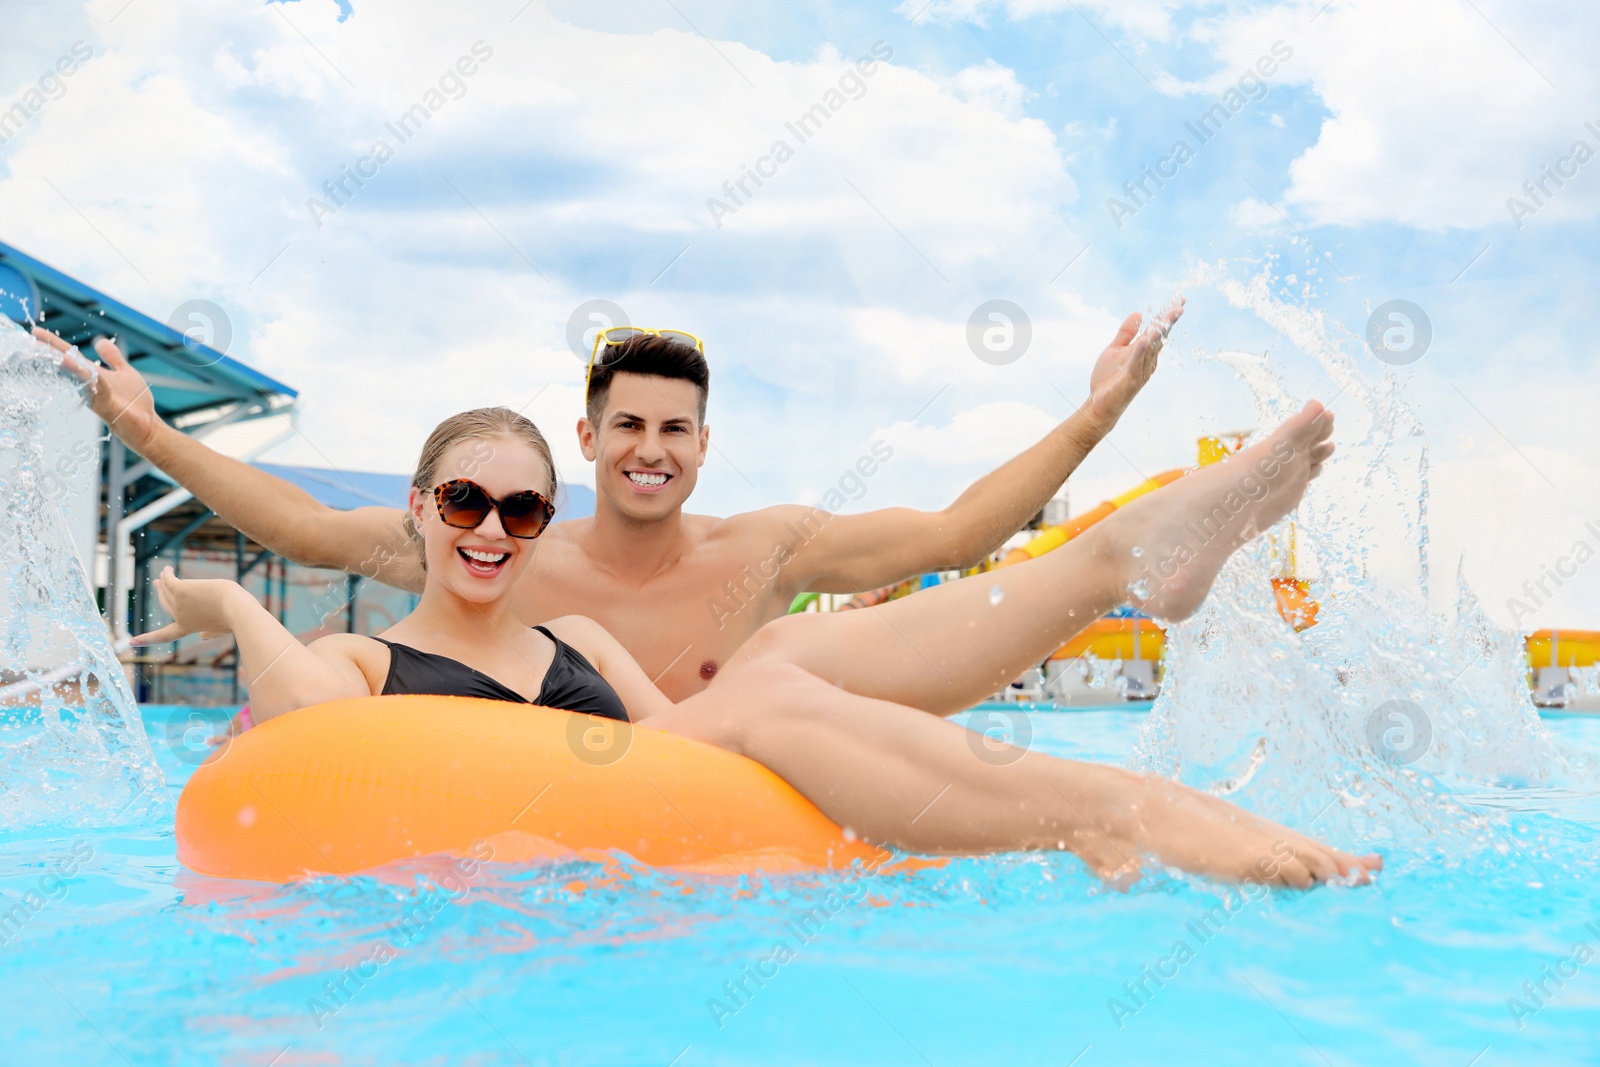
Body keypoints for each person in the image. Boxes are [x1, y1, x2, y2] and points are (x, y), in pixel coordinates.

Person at [134, 404, 1380, 889]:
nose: (492, 530)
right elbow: (298, 730)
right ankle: (1123, 790)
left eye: (522, 509)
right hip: (553, 856)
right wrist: (232, 606)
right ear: (418, 511)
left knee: (777, 657)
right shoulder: (364, 666)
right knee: (777, 672)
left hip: (686, 818)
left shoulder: (571, 635)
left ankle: (1120, 564)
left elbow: (669, 742)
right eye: (463, 503)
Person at [39, 303, 1181, 701]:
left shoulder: (769, 547)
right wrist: (147, 432)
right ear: (586, 437)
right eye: (627, 425)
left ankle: (1128, 561)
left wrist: (1093, 417)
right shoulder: (502, 543)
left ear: (701, 443)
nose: (650, 449)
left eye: (673, 428)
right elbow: (291, 522)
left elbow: (955, 534)